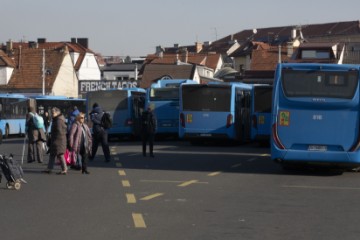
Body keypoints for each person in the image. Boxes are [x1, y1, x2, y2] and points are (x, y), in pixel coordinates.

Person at [42, 107, 68, 175]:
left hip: (58, 141)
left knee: (60, 154)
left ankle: (64, 169)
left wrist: (53, 138)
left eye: (53, 113)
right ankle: (49, 168)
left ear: (57, 113)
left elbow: (59, 131)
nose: (52, 114)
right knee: (52, 154)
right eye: (52, 113)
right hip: (57, 140)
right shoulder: (57, 119)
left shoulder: (59, 120)